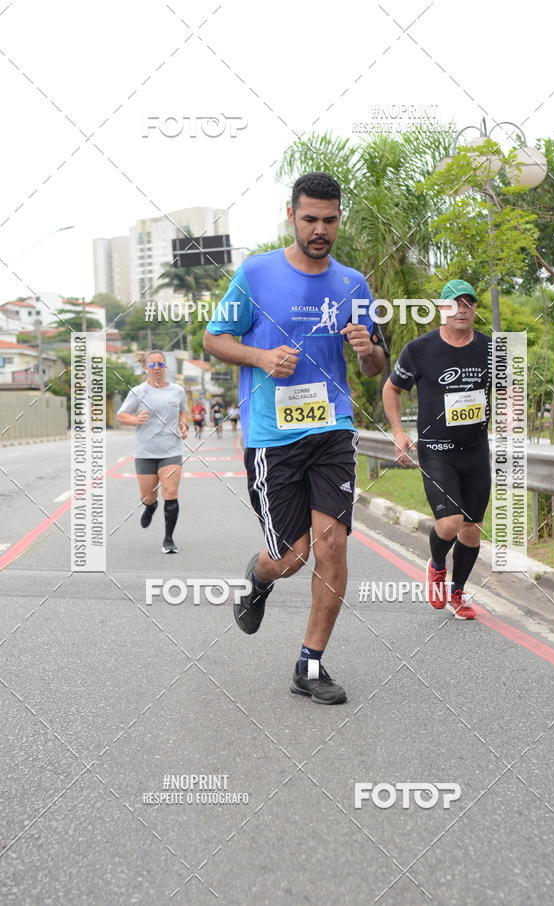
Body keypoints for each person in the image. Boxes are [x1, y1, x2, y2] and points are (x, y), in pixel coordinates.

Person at [204, 171, 387, 704]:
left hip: (332, 428)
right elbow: (214, 337)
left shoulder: (354, 283)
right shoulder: (257, 273)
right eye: (310, 218)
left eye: (330, 220)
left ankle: (310, 665)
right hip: (273, 434)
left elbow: (376, 365)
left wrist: (365, 349)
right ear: (292, 215)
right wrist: (260, 357)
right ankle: (259, 578)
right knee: (291, 557)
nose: (320, 229)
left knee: (331, 546)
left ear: (339, 219)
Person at [382, 279, 492, 620]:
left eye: (468, 303)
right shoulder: (419, 350)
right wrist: (399, 432)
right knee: (450, 523)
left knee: (471, 529)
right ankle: (437, 565)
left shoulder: (491, 349)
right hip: (437, 449)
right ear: (442, 308)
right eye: (454, 303)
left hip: (475, 451)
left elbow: (508, 391)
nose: (462, 309)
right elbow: (391, 389)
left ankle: (457, 593)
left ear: (475, 308)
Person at [117, 350, 188, 554]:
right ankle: (150, 506)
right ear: (145, 367)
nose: (156, 368)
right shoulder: (139, 392)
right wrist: (136, 420)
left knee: (171, 492)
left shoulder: (177, 391)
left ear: (166, 367)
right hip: (145, 451)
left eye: (160, 364)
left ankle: (168, 539)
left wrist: (183, 424)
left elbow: (183, 411)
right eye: (152, 365)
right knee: (148, 496)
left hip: (170, 450)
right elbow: (122, 415)